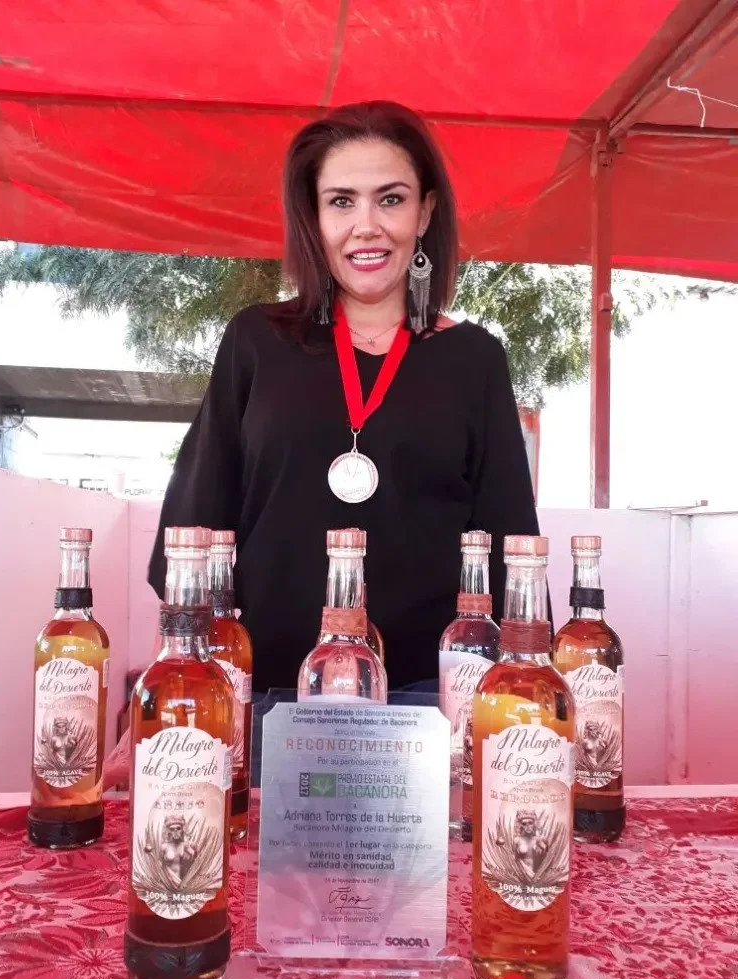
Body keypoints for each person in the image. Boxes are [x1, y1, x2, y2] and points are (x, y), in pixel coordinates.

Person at [148, 100, 540, 694]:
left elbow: (512, 546)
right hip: (266, 693)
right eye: (341, 202)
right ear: (313, 217)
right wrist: (188, 675)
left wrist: (521, 690)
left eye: (391, 199)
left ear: (426, 211)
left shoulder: (475, 359)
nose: (366, 226)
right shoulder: (256, 341)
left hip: (426, 701)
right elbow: (196, 516)